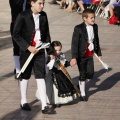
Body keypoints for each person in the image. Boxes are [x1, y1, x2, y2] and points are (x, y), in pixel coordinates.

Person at [13, 0, 54, 114]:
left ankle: (44, 105)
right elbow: (16, 35)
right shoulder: (22, 16)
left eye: (43, 3)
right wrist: (27, 47)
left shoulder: (44, 15)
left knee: (40, 75)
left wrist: (50, 52)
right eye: (40, 3)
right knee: (25, 76)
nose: (42, 6)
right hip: (27, 51)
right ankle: (24, 101)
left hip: (40, 50)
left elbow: (46, 35)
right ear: (32, 3)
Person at [70, 9, 102, 101]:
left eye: (94, 17)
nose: (93, 20)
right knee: (83, 73)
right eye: (91, 18)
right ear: (85, 18)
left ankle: (80, 84)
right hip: (81, 54)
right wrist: (74, 57)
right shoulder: (78, 28)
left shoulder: (95, 26)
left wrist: (99, 53)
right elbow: (74, 43)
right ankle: (82, 93)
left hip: (90, 53)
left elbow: (96, 40)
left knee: (91, 73)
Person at [36, 41, 77, 106]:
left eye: (59, 50)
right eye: (56, 50)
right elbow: (48, 66)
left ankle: (60, 100)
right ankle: (53, 100)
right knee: (53, 89)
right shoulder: (50, 56)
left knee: (64, 85)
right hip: (53, 74)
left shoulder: (62, 55)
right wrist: (52, 61)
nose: (58, 52)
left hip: (61, 73)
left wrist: (70, 63)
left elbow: (64, 64)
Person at [9, 0, 31, 79]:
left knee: (27, 46)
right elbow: (16, 6)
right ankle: (18, 69)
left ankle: (24, 66)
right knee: (16, 47)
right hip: (15, 24)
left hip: (27, 25)